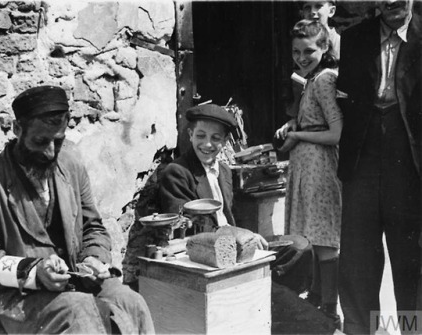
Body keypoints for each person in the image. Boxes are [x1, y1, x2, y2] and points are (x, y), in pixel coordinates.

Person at [0, 85, 155, 334]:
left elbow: (92, 227)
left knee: (132, 302)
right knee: (78, 311)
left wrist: (92, 258)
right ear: (17, 129)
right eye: (40, 141)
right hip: (21, 297)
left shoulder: (70, 163)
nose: (51, 152)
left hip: (77, 281)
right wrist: (35, 271)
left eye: (59, 140)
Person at [336, 1, 421, 333]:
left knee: (411, 259)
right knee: (359, 259)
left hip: (410, 164)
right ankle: (364, 330)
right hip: (363, 161)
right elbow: (346, 97)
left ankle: (411, 331)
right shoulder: (355, 38)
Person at [123, 104, 269, 290]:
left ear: (224, 142)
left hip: (228, 247)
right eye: (201, 136)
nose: (207, 144)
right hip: (201, 253)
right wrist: (238, 237)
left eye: (215, 138)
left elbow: (229, 215)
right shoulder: (177, 172)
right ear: (190, 135)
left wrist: (247, 239)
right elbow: (191, 231)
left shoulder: (223, 171)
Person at [274, 19, 343, 326]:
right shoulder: (310, 79)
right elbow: (312, 121)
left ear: (325, 48)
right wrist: (292, 126)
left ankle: (330, 306)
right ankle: (316, 296)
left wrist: (299, 136)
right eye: (296, 51)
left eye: (309, 51)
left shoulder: (325, 79)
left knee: (324, 238)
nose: (301, 57)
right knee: (313, 236)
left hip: (320, 166)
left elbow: (335, 133)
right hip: (306, 166)